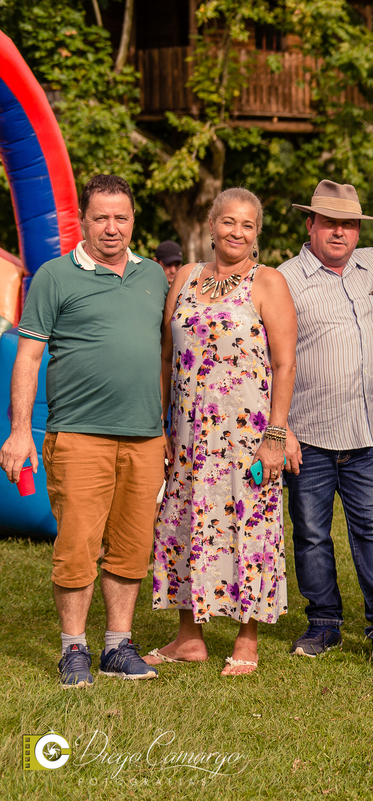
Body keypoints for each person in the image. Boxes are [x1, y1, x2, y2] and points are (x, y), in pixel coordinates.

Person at [1, 175, 166, 687]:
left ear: (133, 221)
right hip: (78, 435)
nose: (111, 228)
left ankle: (118, 646)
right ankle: (73, 649)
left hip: (145, 437)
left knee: (132, 548)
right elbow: (28, 358)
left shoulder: (154, 275)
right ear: (83, 221)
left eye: (121, 217)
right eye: (101, 218)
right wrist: (19, 431)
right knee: (76, 548)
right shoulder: (54, 276)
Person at [147, 188, 298, 677]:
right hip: (187, 434)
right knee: (184, 523)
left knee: (248, 526)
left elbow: (285, 364)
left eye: (247, 225)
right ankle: (188, 637)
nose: (237, 231)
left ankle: (246, 639)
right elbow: (166, 355)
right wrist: (161, 425)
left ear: (257, 234)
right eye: (228, 221)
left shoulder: (268, 282)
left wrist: (276, 435)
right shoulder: (186, 277)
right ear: (211, 225)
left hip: (245, 436)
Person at [275, 181, 373, 667]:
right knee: (311, 533)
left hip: (364, 432)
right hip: (307, 433)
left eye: (349, 224)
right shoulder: (284, 279)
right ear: (309, 224)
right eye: (329, 222)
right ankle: (324, 622)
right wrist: (281, 428)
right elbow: (265, 357)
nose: (339, 232)